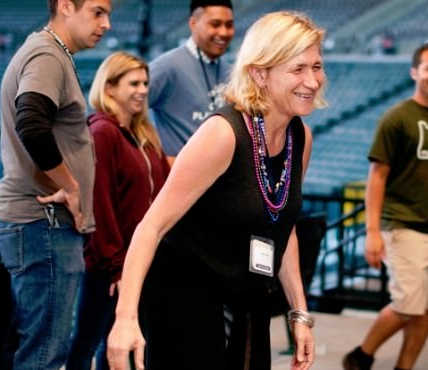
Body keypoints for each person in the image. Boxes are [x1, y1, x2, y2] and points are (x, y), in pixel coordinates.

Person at [106, 11, 325, 370]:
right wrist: (125, 319)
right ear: (260, 73)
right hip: (186, 296)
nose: (313, 81)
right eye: (298, 68)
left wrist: (299, 313)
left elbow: (282, 228)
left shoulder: (300, 138)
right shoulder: (223, 133)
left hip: (248, 295)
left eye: (316, 67)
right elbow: (151, 227)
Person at [343, 42, 428, 370]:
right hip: (404, 226)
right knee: (407, 305)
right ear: (415, 72)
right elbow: (377, 176)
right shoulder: (397, 118)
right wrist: (372, 232)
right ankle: (361, 356)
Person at [0, 1, 111, 369]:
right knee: (44, 354)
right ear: (65, 7)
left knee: (40, 349)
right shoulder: (46, 54)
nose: (106, 24)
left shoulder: (51, 53)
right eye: (97, 12)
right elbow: (31, 121)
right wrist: (72, 186)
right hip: (43, 223)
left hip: (43, 226)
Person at [66, 52, 171, 370]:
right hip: (109, 265)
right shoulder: (102, 132)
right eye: (133, 83)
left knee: (122, 344)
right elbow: (101, 203)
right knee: (90, 342)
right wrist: (116, 266)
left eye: (145, 83)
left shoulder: (144, 132)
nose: (142, 90)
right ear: (109, 88)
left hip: (141, 260)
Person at [148, 0, 234, 165]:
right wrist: (157, 161)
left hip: (222, 182)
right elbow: (119, 113)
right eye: (215, 24)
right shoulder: (166, 67)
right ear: (193, 24)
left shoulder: (231, 71)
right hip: (183, 184)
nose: (223, 32)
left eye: (229, 25)